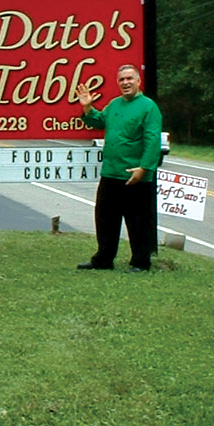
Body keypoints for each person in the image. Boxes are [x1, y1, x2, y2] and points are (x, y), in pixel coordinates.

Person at [75, 64, 163, 272]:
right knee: (105, 219)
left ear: (139, 81)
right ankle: (103, 259)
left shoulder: (149, 107)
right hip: (110, 173)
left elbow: (152, 141)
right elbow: (98, 121)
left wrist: (144, 168)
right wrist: (87, 107)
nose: (125, 82)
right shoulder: (114, 105)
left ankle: (140, 262)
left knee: (138, 221)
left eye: (129, 78)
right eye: (122, 79)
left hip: (135, 176)